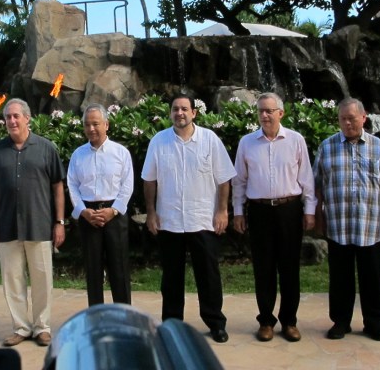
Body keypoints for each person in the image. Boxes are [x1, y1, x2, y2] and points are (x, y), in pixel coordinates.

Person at [142, 94, 235, 343]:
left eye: (184, 109)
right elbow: (149, 180)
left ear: (194, 112)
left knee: (208, 276)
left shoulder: (210, 140)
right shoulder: (158, 142)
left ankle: (216, 323)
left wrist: (222, 211)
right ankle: (172, 325)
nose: (179, 113)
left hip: (202, 219)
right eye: (175, 109)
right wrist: (151, 212)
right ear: (170, 113)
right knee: (171, 278)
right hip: (169, 220)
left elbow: (224, 178)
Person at [0, 98, 66, 348]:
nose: (11, 121)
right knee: (12, 280)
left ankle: (42, 327)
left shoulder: (46, 148)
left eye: (16, 116)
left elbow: (58, 187)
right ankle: (21, 327)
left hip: (39, 225)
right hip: (6, 227)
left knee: (42, 280)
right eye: (8, 117)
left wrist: (60, 222)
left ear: (27, 118)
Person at [232, 92, 316, 342]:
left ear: (281, 113)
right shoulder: (247, 142)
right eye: (261, 111)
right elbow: (239, 181)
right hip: (259, 211)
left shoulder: (295, 140)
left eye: (269, 111)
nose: (265, 115)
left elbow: (307, 178)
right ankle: (266, 321)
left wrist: (309, 211)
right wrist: (238, 211)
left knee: (289, 268)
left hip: (289, 209)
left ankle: (289, 321)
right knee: (263, 268)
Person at [314, 98, 380, 341]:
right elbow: (317, 186)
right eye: (343, 119)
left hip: (370, 224)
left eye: (352, 118)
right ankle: (340, 322)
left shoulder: (378, 147)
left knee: (372, 277)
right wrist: (318, 216)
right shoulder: (327, 147)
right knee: (340, 278)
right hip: (338, 224)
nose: (348, 123)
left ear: (364, 117)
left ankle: (374, 323)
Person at [67, 103, 133, 306]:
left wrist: (114, 210)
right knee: (93, 270)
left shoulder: (121, 153)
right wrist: (83, 211)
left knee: (119, 269)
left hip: (114, 215)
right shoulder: (78, 155)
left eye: (95, 124)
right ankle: (96, 316)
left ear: (106, 125)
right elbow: (72, 185)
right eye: (87, 124)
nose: (91, 128)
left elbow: (127, 185)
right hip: (88, 215)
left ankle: (123, 315)